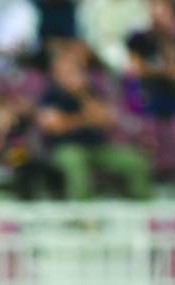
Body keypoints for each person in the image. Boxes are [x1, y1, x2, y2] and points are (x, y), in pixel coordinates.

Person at [36, 46, 151, 200]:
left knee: (136, 162)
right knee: (75, 163)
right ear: (56, 72)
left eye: (74, 69)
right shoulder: (49, 95)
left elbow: (107, 120)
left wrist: (81, 95)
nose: (70, 74)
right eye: (65, 69)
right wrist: (85, 119)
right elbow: (55, 127)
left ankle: (143, 213)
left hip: (97, 147)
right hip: (64, 148)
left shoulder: (90, 91)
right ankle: (84, 219)